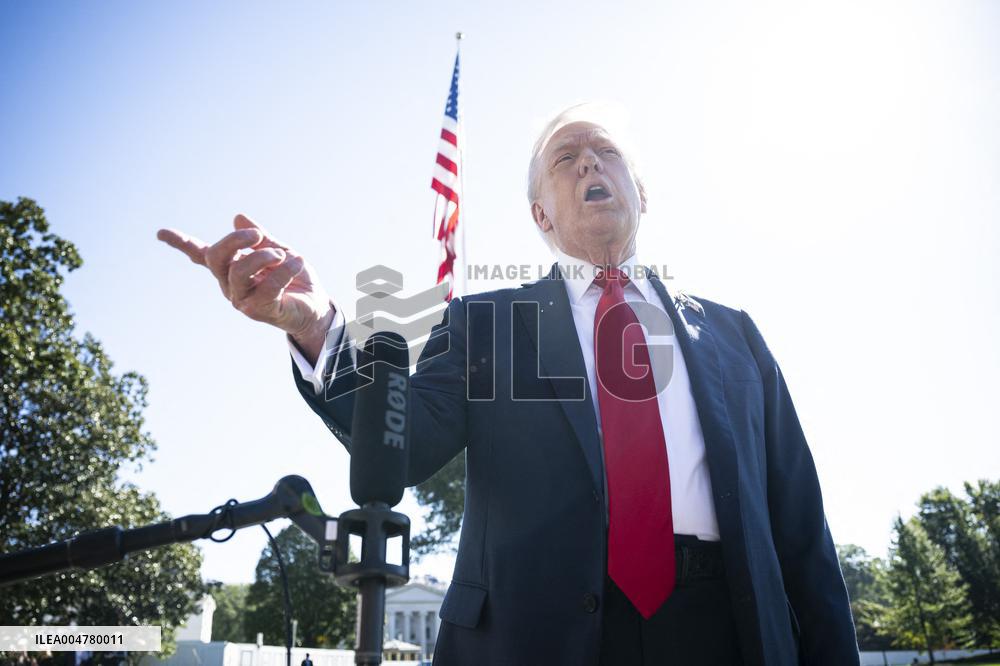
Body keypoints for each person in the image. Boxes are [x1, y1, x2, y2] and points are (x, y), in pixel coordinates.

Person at [158, 103, 859, 666]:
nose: (588, 160)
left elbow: (802, 537)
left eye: (605, 151)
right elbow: (402, 445)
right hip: (537, 633)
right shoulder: (485, 325)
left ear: (640, 192)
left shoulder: (736, 337)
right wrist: (316, 328)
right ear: (540, 216)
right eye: (565, 158)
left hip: (727, 629)